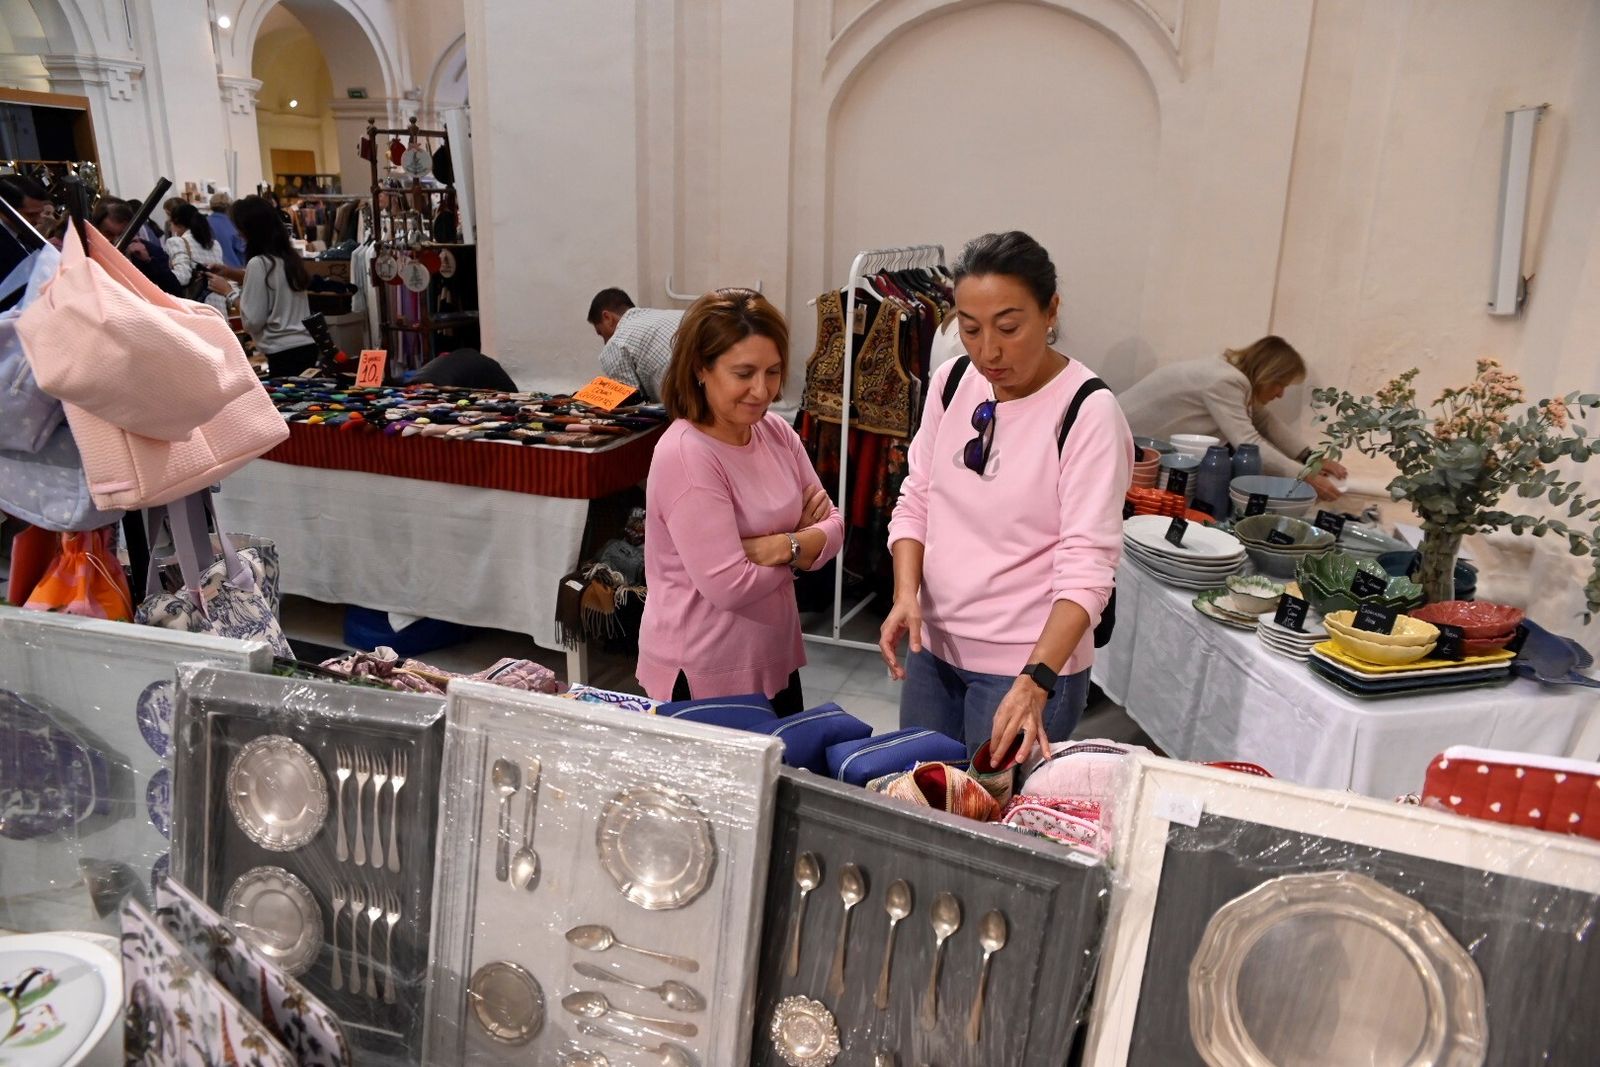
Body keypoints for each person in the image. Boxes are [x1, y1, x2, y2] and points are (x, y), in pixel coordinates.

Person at [880, 232, 1132, 763]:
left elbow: (1089, 566)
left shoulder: (1086, 412)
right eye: (970, 329)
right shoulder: (952, 382)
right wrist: (907, 594)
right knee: (919, 798)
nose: (988, 351)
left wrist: (1037, 679)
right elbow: (917, 498)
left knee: (991, 827)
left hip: (1024, 669)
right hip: (935, 651)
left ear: (1051, 311)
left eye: (1009, 328)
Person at [637, 288, 843, 714]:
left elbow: (835, 525)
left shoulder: (774, 433)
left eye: (772, 372)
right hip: (706, 671)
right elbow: (728, 585)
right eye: (744, 373)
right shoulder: (688, 454)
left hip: (774, 655)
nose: (762, 390)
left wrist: (776, 547)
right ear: (700, 369)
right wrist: (800, 546)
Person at [1116, 336, 1348, 499]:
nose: (1280, 394)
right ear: (1267, 374)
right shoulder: (1224, 381)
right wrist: (1305, 476)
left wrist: (1313, 460)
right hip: (1119, 443)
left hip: (1129, 443)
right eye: (1280, 384)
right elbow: (1249, 442)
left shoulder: (1230, 377)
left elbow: (1265, 421)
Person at [225, 195, 316, 376]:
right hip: (307, 345)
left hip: (283, 352)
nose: (238, 234)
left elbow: (253, 320)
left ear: (248, 230)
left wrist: (229, 293)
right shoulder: (289, 259)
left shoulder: (259, 264)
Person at [586, 287, 683, 403]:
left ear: (607, 318)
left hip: (691, 407)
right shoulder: (669, 315)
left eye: (601, 333)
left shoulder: (617, 343)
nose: (605, 343)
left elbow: (634, 407)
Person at [91, 200, 182, 295]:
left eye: (122, 234)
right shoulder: (90, 254)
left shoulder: (150, 250)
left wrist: (148, 261)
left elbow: (175, 291)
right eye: (108, 234)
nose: (116, 240)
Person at [163, 203, 232, 313]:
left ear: (177, 223)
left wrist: (160, 275)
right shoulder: (214, 244)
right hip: (219, 305)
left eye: (171, 222)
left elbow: (183, 277)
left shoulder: (177, 242)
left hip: (197, 308)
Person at [205, 192, 247, 268]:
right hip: (233, 270)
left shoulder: (204, 222)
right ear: (228, 206)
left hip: (212, 268)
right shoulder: (234, 223)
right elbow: (242, 250)